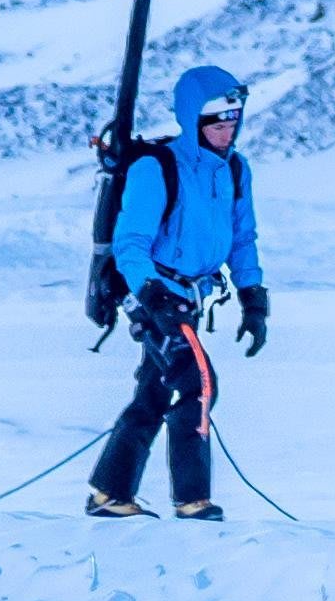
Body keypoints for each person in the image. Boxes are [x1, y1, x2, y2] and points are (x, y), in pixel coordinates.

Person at [88, 66, 269, 521]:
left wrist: (254, 301)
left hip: (191, 297)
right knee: (198, 382)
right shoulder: (157, 167)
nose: (226, 132)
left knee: (153, 392)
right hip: (154, 297)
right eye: (216, 124)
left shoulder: (234, 170)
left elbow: (243, 238)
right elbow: (131, 244)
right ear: (194, 121)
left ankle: (108, 493)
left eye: (233, 122)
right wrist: (151, 295)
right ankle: (193, 500)